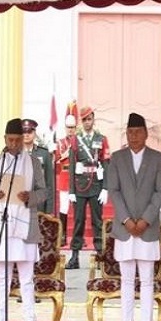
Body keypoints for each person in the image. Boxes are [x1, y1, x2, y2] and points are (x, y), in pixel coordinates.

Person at [0, 118, 47, 321]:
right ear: (5, 139)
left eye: (18, 140)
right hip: (3, 225)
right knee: (2, 277)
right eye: (11, 140)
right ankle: (0, 320)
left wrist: (31, 196)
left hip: (25, 225)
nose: (15, 144)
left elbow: (44, 193)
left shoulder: (34, 162)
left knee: (27, 278)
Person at [106, 112, 161, 321]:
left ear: (146, 134)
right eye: (130, 132)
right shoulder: (117, 157)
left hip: (147, 228)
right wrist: (127, 220)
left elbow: (160, 192)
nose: (134, 136)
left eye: (138, 132)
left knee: (148, 278)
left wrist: (145, 220)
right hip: (125, 228)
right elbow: (114, 190)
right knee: (127, 278)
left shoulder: (157, 158)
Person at [67, 106, 110, 269]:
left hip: (96, 185)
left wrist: (105, 187)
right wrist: (71, 191)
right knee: (78, 221)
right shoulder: (75, 140)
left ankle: (100, 255)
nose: (87, 122)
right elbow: (71, 166)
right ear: (81, 121)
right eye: (84, 120)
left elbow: (106, 163)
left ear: (93, 119)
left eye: (89, 119)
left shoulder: (101, 139)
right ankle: (75, 256)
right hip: (79, 187)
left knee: (97, 222)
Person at [22, 119, 55, 215]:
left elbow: (49, 184)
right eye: (24, 132)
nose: (26, 135)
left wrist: (49, 210)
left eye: (29, 131)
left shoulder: (44, 154)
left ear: (35, 133)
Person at [55, 114, 78, 246]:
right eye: (68, 127)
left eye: (73, 127)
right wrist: (69, 149)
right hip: (65, 177)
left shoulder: (80, 141)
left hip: (77, 177)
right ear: (65, 128)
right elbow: (59, 158)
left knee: (77, 209)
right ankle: (62, 236)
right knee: (64, 207)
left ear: (76, 128)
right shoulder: (61, 142)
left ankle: (77, 237)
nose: (70, 130)